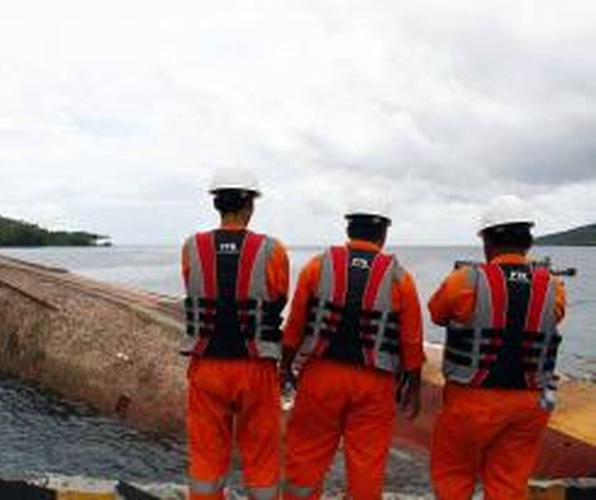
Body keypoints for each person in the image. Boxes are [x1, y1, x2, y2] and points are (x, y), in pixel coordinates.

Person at [281, 195, 424, 500]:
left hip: (320, 376)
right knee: (367, 466)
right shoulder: (401, 279)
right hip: (375, 385)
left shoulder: (317, 267)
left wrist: (284, 368)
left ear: (348, 228)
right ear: (384, 232)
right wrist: (414, 385)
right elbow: (411, 341)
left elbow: (294, 326)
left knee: (305, 458)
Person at [429, 194, 567, 500]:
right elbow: (552, 317)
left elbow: (437, 313)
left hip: (471, 401)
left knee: (454, 475)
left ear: (486, 241)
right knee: (510, 482)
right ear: (528, 241)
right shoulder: (553, 287)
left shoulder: (464, 280)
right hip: (530, 404)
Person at [180, 167, 290, 499]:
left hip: (207, 366)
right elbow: (279, 295)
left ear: (217, 204)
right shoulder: (272, 250)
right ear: (250, 206)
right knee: (261, 455)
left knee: (206, 456)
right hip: (255, 366)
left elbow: (192, 285)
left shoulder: (192, 247)